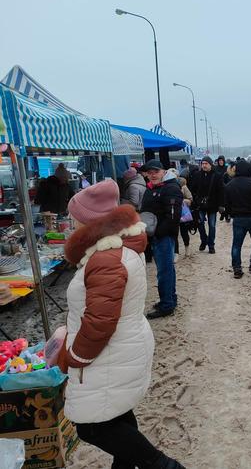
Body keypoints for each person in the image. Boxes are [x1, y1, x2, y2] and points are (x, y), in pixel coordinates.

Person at [58, 180, 184, 469]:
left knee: (93, 427)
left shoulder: (105, 258)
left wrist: (75, 356)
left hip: (109, 353)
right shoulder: (116, 248)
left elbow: (100, 322)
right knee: (115, 416)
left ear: (89, 222)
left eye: (74, 218)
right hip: (122, 346)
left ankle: (164, 466)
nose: (70, 223)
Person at [140, 160, 183, 319]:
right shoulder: (152, 188)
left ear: (164, 171)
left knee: (164, 271)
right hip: (155, 235)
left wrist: (157, 233)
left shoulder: (170, 188)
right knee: (167, 270)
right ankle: (170, 299)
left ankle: (166, 305)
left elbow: (173, 218)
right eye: (149, 172)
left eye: (155, 171)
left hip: (163, 236)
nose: (152, 174)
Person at [225, 160, 251, 279]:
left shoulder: (230, 184)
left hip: (238, 218)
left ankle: (237, 268)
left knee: (237, 244)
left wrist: (231, 214)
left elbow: (227, 204)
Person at [190, 156, 225, 254]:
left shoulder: (217, 176)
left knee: (212, 225)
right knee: (200, 223)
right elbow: (192, 189)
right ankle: (204, 240)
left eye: (206, 164)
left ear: (210, 164)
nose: (204, 165)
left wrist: (221, 205)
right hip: (200, 205)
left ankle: (211, 245)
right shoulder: (197, 175)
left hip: (213, 205)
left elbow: (221, 191)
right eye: (203, 164)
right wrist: (194, 201)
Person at [177, 176, 194, 258]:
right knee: (174, 233)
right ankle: (175, 252)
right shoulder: (166, 186)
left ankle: (187, 248)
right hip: (172, 213)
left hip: (182, 212)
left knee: (184, 232)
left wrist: (183, 201)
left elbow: (190, 199)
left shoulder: (183, 186)